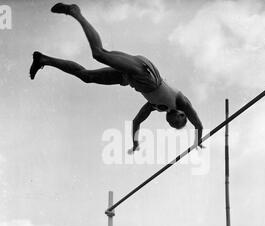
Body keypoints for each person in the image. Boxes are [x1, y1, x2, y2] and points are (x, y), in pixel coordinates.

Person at [30, 3, 204, 153]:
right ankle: (75, 11)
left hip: (130, 79)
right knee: (99, 53)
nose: (171, 125)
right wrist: (198, 139)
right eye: (176, 124)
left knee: (87, 77)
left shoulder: (154, 106)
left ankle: (44, 60)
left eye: (172, 127)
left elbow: (136, 122)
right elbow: (197, 123)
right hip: (145, 73)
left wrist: (135, 143)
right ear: (181, 115)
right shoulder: (181, 102)